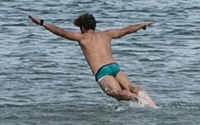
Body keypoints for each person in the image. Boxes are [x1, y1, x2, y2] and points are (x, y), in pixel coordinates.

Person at [27, 13, 155, 106]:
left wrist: (42, 23)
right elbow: (126, 30)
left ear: (82, 27)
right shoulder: (106, 34)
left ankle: (141, 101)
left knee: (117, 93)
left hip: (102, 71)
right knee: (130, 87)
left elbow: (60, 32)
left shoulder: (82, 38)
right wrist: (142, 25)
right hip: (114, 67)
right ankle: (148, 100)